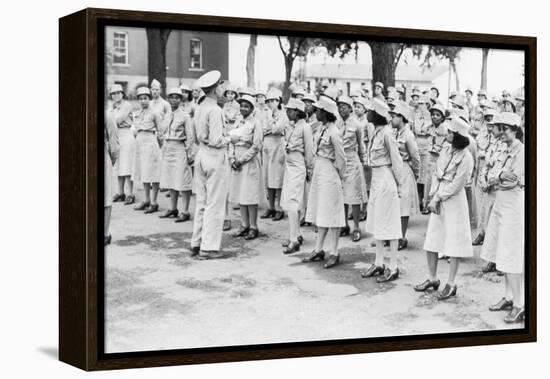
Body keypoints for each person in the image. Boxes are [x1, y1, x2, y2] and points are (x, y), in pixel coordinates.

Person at [414, 116, 474, 300]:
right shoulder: (446, 149)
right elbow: (437, 172)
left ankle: (451, 283)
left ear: (457, 135)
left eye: (450, 132)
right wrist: (432, 196)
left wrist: (438, 197)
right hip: (438, 198)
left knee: (454, 244)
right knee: (432, 239)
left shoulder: (466, 157)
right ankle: (432, 278)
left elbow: (457, 184)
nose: (446, 134)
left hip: (453, 201)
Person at [481, 112, 525, 323]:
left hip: (514, 207)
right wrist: (499, 177)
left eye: (505, 129)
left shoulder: (523, 151)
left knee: (512, 255)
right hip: (501, 203)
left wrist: (502, 178)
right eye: (500, 128)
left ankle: (519, 303)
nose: (501, 132)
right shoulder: (503, 149)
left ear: (515, 130)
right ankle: (508, 297)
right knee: (502, 254)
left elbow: (514, 181)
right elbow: (493, 175)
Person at [190, 70, 239, 259]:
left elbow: (195, 136)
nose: (223, 90)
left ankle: (197, 242)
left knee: (202, 202)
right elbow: (217, 139)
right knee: (214, 203)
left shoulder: (200, 107)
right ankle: (208, 248)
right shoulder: (215, 110)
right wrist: (232, 137)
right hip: (215, 156)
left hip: (202, 154)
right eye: (221, 86)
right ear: (215, 88)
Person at [361, 99, 403, 282]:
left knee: (390, 223)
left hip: (386, 179)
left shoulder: (387, 134)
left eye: (370, 111)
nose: (367, 113)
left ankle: (393, 266)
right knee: (378, 221)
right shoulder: (375, 132)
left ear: (376, 114)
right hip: (377, 179)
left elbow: (397, 161)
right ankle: (379, 262)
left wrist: (399, 186)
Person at [301, 96, 346, 268]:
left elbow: (341, 160)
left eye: (319, 110)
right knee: (321, 212)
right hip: (319, 172)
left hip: (330, 174)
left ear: (326, 113)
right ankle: (319, 249)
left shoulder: (334, 132)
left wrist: (338, 178)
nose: (316, 112)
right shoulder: (321, 129)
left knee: (332, 214)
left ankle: (334, 252)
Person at [227, 94, 264, 240]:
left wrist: (241, 160)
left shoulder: (255, 123)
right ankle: (244, 224)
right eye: (241, 105)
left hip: (249, 162)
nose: (243, 108)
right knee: (240, 194)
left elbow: (256, 146)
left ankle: (253, 226)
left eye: (247, 106)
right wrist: (231, 158)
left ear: (252, 108)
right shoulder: (237, 122)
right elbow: (230, 140)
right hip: (236, 160)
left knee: (250, 195)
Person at [280, 98, 314, 254]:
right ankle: (297, 234)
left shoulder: (305, 127)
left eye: (291, 110)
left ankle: (294, 240)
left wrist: (309, 170)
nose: (288, 112)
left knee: (294, 202)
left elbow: (309, 151)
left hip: (299, 165)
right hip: (289, 165)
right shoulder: (291, 126)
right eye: (287, 110)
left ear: (299, 112)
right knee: (291, 201)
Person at [158, 87, 195, 222]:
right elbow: (163, 131)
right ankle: (173, 208)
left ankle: (185, 211)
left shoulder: (185, 116)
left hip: (180, 148)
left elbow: (190, 136)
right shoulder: (167, 115)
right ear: (168, 99)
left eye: (177, 97)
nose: (174, 99)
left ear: (181, 100)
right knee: (171, 179)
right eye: (172, 97)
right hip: (168, 148)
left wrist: (190, 154)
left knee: (183, 180)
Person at [478, 113, 509, 273]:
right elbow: (487, 165)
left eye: (494, 126)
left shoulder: (508, 145)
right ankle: (492, 259)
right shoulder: (493, 144)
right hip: (490, 190)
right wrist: (483, 180)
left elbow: (507, 170)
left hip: (501, 191)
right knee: (490, 225)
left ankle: (502, 261)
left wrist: (494, 180)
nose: (491, 128)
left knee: (502, 227)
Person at [336, 96, 368, 242]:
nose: (342, 109)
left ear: (350, 108)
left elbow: (361, 145)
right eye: (340, 106)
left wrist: (364, 161)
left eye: (344, 106)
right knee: (342, 196)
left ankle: (356, 227)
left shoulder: (356, 124)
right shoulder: (336, 123)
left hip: (353, 161)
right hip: (339, 162)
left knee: (354, 197)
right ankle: (344, 224)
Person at [390, 101, 420, 250]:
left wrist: (416, 173)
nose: (391, 119)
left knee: (404, 206)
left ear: (401, 117)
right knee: (395, 204)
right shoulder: (395, 133)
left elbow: (415, 156)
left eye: (394, 116)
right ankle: (395, 235)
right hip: (395, 170)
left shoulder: (408, 135)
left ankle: (402, 237)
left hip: (405, 169)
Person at [131, 87, 164, 214]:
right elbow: (135, 128)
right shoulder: (137, 113)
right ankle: (146, 200)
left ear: (149, 99)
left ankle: (154, 202)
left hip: (150, 141)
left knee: (153, 173)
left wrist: (159, 145)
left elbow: (160, 131)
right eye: (140, 99)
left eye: (145, 98)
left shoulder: (154, 112)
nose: (143, 101)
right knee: (143, 172)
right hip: (140, 141)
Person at [261, 88, 289, 221]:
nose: (271, 103)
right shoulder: (265, 113)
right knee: (267, 176)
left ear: (279, 101)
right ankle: (270, 206)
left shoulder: (283, 114)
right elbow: (262, 128)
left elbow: (278, 129)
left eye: (274, 100)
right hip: (267, 145)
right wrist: (269, 128)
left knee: (277, 177)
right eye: (269, 101)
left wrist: (270, 127)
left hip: (278, 145)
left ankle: (279, 208)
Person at [472, 109, 498, 246]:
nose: (489, 121)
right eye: (487, 118)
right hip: (481, 170)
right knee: (480, 203)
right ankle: (481, 232)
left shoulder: (498, 137)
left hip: (493, 174)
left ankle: (487, 234)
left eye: (491, 118)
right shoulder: (482, 134)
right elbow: (478, 149)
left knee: (490, 207)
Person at [107, 84, 136, 205]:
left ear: (122, 94)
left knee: (127, 164)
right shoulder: (111, 107)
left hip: (126, 134)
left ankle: (130, 193)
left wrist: (111, 117)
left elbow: (117, 119)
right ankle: (120, 192)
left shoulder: (127, 105)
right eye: (113, 93)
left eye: (118, 93)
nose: (116, 95)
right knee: (118, 165)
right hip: (116, 134)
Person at [421, 103, 449, 214]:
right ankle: (426, 204)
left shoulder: (445, 129)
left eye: (437, 115)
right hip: (430, 157)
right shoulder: (430, 127)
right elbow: (423, 129)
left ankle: (435, 204)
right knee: (428, 182)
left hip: (440, 157)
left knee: (437, 183)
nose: (434, 117)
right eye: (432, 114)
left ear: (442, 117)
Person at [353, 97, 374, 221]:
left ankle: (364, 209)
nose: (356, 109)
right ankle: (355, 208)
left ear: (365, 109)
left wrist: (367, 156)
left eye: (359, 107)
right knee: (356, 182)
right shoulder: (353, 120)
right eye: (355, 106)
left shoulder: (368, 122)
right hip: (356, 151)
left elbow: (371, 140)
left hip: (365, 150)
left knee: (366, 183)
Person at [412, 95, 431, 211]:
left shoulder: (431, 116)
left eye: (423, 103)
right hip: (418, 143)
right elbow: (415, 131)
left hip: (427, 144)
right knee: (419, 177)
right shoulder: (416, 116)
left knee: (426, 176)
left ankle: (426, 202)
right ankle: (419, 201)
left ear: (427, 104)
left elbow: (429, 131)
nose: (420, 106)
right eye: (419, 104)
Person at [104, 116, 119, 245]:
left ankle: (105, 233)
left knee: (105, 196)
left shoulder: (108, 117)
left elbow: (114, 144)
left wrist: (112, 159)